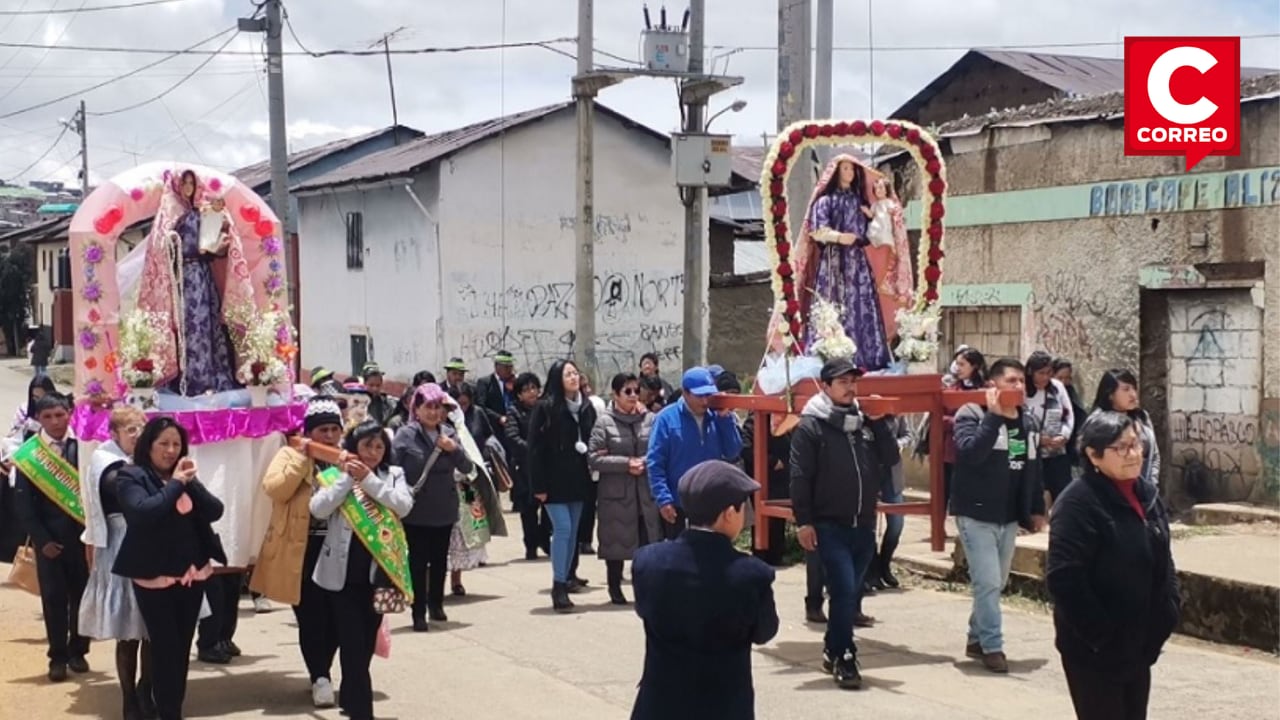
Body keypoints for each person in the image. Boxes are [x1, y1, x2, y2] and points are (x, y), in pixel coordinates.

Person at [1046, 412, 1180, 720]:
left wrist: (1168, 612)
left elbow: (1163, 558)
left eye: (1136, 444)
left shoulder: (1145, 493)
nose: (1133, 454)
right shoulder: (1077, 503)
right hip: (1094, 649)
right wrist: (1104, 638)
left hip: (1141, 643)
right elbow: (1065, 579)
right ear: (1093, 455)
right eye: (1121, 448)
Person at [630, 460, 778, 720]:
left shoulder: (648, 562)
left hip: (660, 705)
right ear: (729, 513)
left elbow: (645, 610)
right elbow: (764, 632)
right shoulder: (752, 574)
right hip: (724, 706)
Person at [789, 358, 899, 689]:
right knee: (842, 590)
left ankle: (832, 647)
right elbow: (799, 476)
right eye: (843, 382)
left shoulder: (863, 423)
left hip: (862, 526)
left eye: (854, 381)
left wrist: (878, 423)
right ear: (825, 387)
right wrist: (804, 522)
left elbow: (890, 457)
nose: (851, 388)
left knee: (849, 591)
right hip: (828, 525)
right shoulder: (811, 426)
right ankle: (846, 656)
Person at [113, 417, 226, 720]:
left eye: (176, 444)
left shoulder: (185, 476)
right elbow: (144, 513)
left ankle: (174, 708)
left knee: (182, 647)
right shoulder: (131, 476)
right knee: (164, 647)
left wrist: (189, 482)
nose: (170, 450)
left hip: (192, 575)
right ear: (148, 446)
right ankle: (167, 711)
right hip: (155, 577)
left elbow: (216, 511)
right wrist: (176, 484)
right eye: (163, 443)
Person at [309, 419, 414, 720]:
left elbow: (403, 506)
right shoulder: (332, 474)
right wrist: (346, 479)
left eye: (379, 446)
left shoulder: (393, 475)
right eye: (367, 445)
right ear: (354, 445)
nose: (373, 452)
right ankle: (361, 712)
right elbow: (318, 509)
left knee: (364, 646)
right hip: (340, 576)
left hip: (377, 576)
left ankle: (353, 703)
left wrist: (368, 480)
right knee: (352, 644)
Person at [951, 357, 1047, 674]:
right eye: (1012, 381)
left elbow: (1027, 468)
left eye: (1022, 381)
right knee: (989, 582)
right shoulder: (972, 414)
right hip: (976, 515)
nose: (1019, 387)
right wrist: (993, 418)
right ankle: (993, 646)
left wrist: (1034, 510)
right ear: (992, 385)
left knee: (998, 581)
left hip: (1007, 518)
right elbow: (970, 455)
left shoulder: (1025, 422)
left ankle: (976, 637)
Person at [249, 397, 346, 708]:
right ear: (309, 432)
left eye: (334, 429)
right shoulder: (288, 455)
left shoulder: (346, 457)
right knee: (311, 618)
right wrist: (304, 460)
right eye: (322, 430)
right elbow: (275, 489)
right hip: (302, 551)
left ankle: (324, 667)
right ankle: (320, 675)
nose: (329, 436)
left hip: (341, 549)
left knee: (337, 619)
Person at [766, 155, 896, 370]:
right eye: (845, 169)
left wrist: (865, 232)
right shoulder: (825, 202)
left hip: (857, 262)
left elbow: (869, 230)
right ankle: (830, 353)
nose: (849, 173)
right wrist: (838, 237)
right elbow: (817, 231)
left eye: (852, 170)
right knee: (832, 304)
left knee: (860, 304)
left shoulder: (858, 202)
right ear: (836, 173)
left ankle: (865, 357)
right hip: (833, 261)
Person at [136, 168, 253, 396]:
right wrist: (174, 245)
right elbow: (159, 249)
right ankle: (189, 380)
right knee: (187, 326)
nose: (188, 188)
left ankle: (209, 377)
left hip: (202, 275)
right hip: (181, 278)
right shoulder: (169, 215)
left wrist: (219, 244)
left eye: (192, 183)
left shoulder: (203, 211)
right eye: (185, 183)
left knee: (206, 324)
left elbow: (212, 248)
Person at [80, 406, 155, 719]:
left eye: (141, 428)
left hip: (153, 544)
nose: (137, 435)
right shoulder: (106, 463)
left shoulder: (150, 457)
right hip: (122, 544)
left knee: (153, 627)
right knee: (128, 631)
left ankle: (147, 689)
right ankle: (128, 697)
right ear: (115, 434)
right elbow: (123, 493)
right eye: (131, 430)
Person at [12, 393, 90, 682]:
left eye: (60, 415)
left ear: (69, 413)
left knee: (83, 598)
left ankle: (79, 650)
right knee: (54, 600)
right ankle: (57, 657)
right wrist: (43, 540)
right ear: (38, 420)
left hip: (83, 539)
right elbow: (23, 505)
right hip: (50, 543)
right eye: (48, 417)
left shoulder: (83, 445)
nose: (55, 422)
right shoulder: (31, 454)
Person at [391, 383, 474, 631]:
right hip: (416, 510)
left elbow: (468, 467)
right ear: (416, 408)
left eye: (438, 407)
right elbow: (394, 469)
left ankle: (436, 604)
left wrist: (454, 448)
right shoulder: (405, 435)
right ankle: (418, 611)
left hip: (444, 508)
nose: (434, 412)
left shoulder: (449, 433)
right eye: (428, 406)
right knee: (418, 562)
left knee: (439, 560)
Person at [528, 360, 597, 612]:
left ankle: (566, 578)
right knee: (563, 529)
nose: (573, 378)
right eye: (568, 374)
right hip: (552, 481)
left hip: (578, 480)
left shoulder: (587, 407)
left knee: (573, 533)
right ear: (557, 378)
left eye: (575, 373)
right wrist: (538, 485)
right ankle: (558, 584)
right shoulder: (545, 407)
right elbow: (534, 449)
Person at [589, 372, 662, 605]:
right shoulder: (604, 422)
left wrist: (645, 461)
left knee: (646, 543)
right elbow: (594, 458)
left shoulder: (649, 419)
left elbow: (660, 448)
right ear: (615, 395)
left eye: (636, 391)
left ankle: (644, 589)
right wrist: (625, 464)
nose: (633, 396)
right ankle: (614, 587)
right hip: (616, 494)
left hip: (644, 492)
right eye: (627, 391)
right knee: (616, 543)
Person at [646, 367, 743, 540]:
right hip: (678, 503)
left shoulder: (716, 417)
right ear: (685, 392)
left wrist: (724, 420)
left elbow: (732, 451)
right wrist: (664, 499)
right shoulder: (666, 419)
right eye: (700, 396)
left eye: (708, 395)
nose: (705, 401)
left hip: (712, 502)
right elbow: (655, 462)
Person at [505, 372, 551, 560]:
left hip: (546, 468)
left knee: (550, 508)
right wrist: (533, 451)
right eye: (526, 390)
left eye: (534, 388)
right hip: (524, 468)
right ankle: (531, 545)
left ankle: (544, 538)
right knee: (528, 510)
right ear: (519, 395)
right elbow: (512, 437)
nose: (532, 393)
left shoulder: (546, 408)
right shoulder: (514, 412)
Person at [1091, 369, 1161, 488]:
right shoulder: (1098, 422)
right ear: (1110, 394)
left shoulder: (1141, 417)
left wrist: (1151, 485)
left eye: (1134, 388)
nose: (1133, 394)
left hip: (1144, 491)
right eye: (1126, 389)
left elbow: (1154, 455)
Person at [1026, 351, 1075, 502]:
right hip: (1032, 455)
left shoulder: (1057, 388)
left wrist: (1064, 435)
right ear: (1030, 372)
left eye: (1049, 373)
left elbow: (1068, 415)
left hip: (1057, 453)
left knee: (1062, 496)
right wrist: (1037, 439)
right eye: (1041, 373)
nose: (1045, 377)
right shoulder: (1023, 391)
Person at [474, 350, 517, 427]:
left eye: (511, 367)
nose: (509, 370)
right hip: (494, 427)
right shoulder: (485, 383)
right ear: (497, 366)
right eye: (506, 367)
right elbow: (481, 406)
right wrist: (498, 418)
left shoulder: (514, 382)